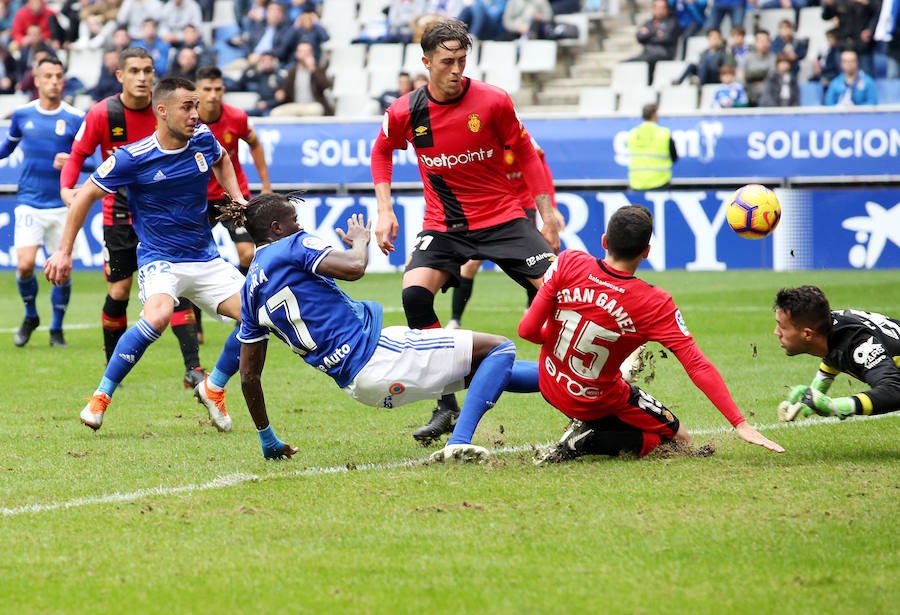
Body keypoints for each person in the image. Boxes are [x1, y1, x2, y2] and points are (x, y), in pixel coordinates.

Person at [226, 193, 539, 462]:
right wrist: (361, 242)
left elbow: (249, 375)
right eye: (294, 219)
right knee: (500, 348)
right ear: (276, 228)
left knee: (490, 368)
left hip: (360, 386)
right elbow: (354, 267)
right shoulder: (292, 244)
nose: (301, 225)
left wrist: (267, 439)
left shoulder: (249, 290)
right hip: (378, 354)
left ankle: (582, 388)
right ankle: (459, 442)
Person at [371, 19, 559, 443]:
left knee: (563, 294)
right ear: (426, 63)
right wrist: (386, 209)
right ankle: (445, 407)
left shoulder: (493, 101)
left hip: (504, 219)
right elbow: (382, 151)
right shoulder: (405, 111)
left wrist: (547, 213)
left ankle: (586, 389)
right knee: (414, 296)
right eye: (447, 62)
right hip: (445, 225)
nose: (456, 70)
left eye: (462, 60)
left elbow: (527, 154)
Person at [45, 76, 248, 433]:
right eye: (187, 107)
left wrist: (239, 199)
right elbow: (85, 197)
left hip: (205, 257)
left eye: (197, 106)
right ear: (162, 111)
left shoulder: (202, 138)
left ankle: (213, 387)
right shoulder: (131, 158)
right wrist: (64, 252)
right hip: (161, 259)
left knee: (256, 316)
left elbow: (223, 159)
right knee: (157, 316)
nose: (195, 114)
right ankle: (101, 397)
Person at [518, 205, 785, 463]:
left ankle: (591, 428)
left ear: (604, 241)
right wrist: (739, 423)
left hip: (550, 385)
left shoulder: (568, 261)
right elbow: (697, 365)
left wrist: (558, 341)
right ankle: (590, 439)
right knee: (681, 441)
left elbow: (527, 330)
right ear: (646, 251)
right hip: (595, 400)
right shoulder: (655, 303)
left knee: (650, 428)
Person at [60, 47, 205, 388]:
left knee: (175, 284)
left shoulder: (168, 110)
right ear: (120, 76)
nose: (142, 77)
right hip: (121, 214)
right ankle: (114, 366)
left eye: (148, 70)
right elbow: (77, 155)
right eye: (135, 71)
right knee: (120, 290)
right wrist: (68, 189)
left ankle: (193, 368)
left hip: (163, 213)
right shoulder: (103, 113)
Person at [2, 57, 84, 348]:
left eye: (59, 76)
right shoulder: (23, 115)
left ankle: (57, 329)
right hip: (28, 201)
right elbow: (5, 149)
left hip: (64, 204)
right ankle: (31, 315)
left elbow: (94, 161)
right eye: (48, 76)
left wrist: (74, 162)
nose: (54, 81)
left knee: (61, 272)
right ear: (36, 80)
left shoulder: (76, 117)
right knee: (24, 266)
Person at [447, 135, 562, 329]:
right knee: (470, 265)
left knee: (534, 259)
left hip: (522, 207)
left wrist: (553, 206)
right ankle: (455, 321)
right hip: (492, 208)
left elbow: (541, 170)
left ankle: (531, 310)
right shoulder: (479, 142)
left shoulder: (523, 140)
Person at [773, 285, 900, 421]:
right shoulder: (830, 327)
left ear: (807, 334)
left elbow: (895, 391)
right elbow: (834, 355)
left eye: (782, 327)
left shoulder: (860, 344)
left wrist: (835, 406)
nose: (776, 332)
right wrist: (809, 399)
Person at [195, 66, 271, 274]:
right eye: (207, 89)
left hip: (233, 194)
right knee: (193, 257)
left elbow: (254, 144)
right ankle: (192, 308)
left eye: (218, 89)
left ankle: (241, 297)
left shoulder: (237, 117)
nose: (213, 95)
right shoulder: (187, 121)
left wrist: (265, 185)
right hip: (198, 198)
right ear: (197, 91)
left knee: (248, 253)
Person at [626, 103, 678, 191]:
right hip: (660, 182)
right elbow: (674, 157)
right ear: (654, 115)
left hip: (636, 183)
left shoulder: (632, 134)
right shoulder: (664, 133)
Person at [628, 0, 680, 81]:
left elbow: (666, 38)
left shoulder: (672, 22)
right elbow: (639, 37)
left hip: (664, 54)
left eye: (661, 7)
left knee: (646, 61)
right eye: (657, 7)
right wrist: (655, 32)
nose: (659, 10)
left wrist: (648, 34)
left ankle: (648, 85)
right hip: (647, 54)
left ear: (667, 9)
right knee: (626, 63)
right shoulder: (650, 22)